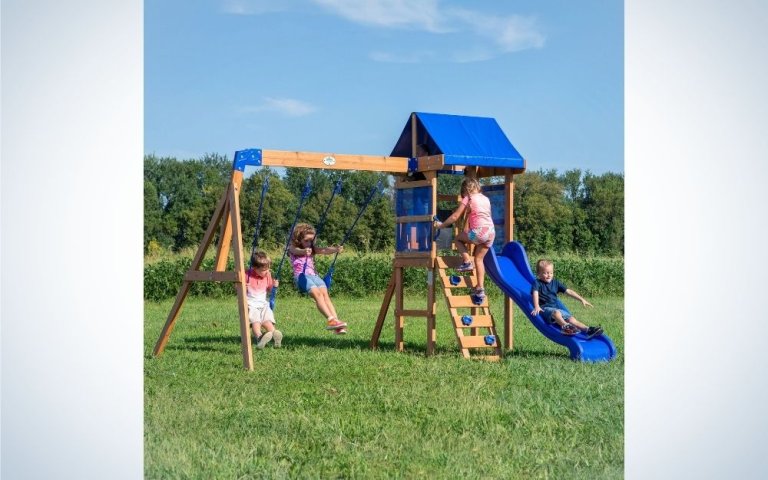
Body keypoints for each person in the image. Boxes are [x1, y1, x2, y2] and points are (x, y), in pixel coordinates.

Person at [433, 177, 494, 304]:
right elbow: (475, 216)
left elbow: (455, 216)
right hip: (490, 233)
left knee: (458, 240)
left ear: (466, 190)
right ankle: (480, 288)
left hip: (478, 233)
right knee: (479, 259)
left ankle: (467, 261)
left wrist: (441, 225)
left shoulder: (469, 198)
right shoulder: (485, 199)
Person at [288, 223, 347, 334]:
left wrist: (335, 249)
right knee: (318, 295)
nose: (309, 243)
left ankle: (337, 323)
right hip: (302, 277)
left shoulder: (312, 248)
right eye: (306, 240)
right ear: (298, 239)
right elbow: (296, 251)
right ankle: (330, 320)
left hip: (314, 276)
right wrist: (303, 251)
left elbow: (324, 250)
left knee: (325, 296)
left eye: (311, 240)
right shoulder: (293, 248)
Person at [530, 259, 604, 339]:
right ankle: (566, 327)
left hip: (556, 309)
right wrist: (537, 306)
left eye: (551, 273)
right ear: (538, 274)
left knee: (572, 319)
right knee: (556, 312)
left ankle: (588, 330)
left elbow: (569, 291)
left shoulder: (556, 283)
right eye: (546, 273)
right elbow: (535, 293)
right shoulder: (537, 283)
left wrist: (581, 299)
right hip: (544, 309)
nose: (549, 275)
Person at [246, 251, 283, 349]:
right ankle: (259, 337)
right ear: (254, 268)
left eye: (268, 269)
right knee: (256, 321)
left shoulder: (268, 275)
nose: (266, 271)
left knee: (267, 320)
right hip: (251, 304)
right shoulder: (247, 275)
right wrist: (243, 287)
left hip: (263, 304)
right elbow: (236, 287)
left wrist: (274, 286)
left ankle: (275, 336)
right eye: (263, 270)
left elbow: (270, 289)